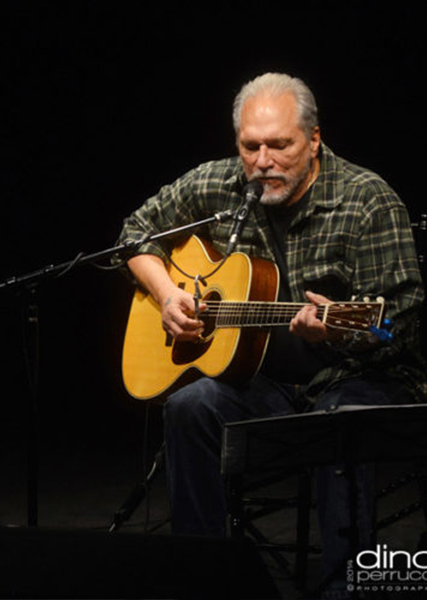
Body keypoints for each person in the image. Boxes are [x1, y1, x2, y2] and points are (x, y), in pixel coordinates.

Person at [117, 72, 425, 596]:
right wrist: (168, 295)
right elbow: (135, 232)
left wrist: (338, 331)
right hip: (265, 381)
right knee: (190, 407)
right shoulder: (219, 184)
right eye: (250, 146)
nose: (263, 161)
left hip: (357, 378)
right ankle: (208, 578)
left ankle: (345, 588)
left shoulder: (367, 200)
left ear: (313, 140)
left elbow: (402, 320)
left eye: (279, 145)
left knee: (339, 423)